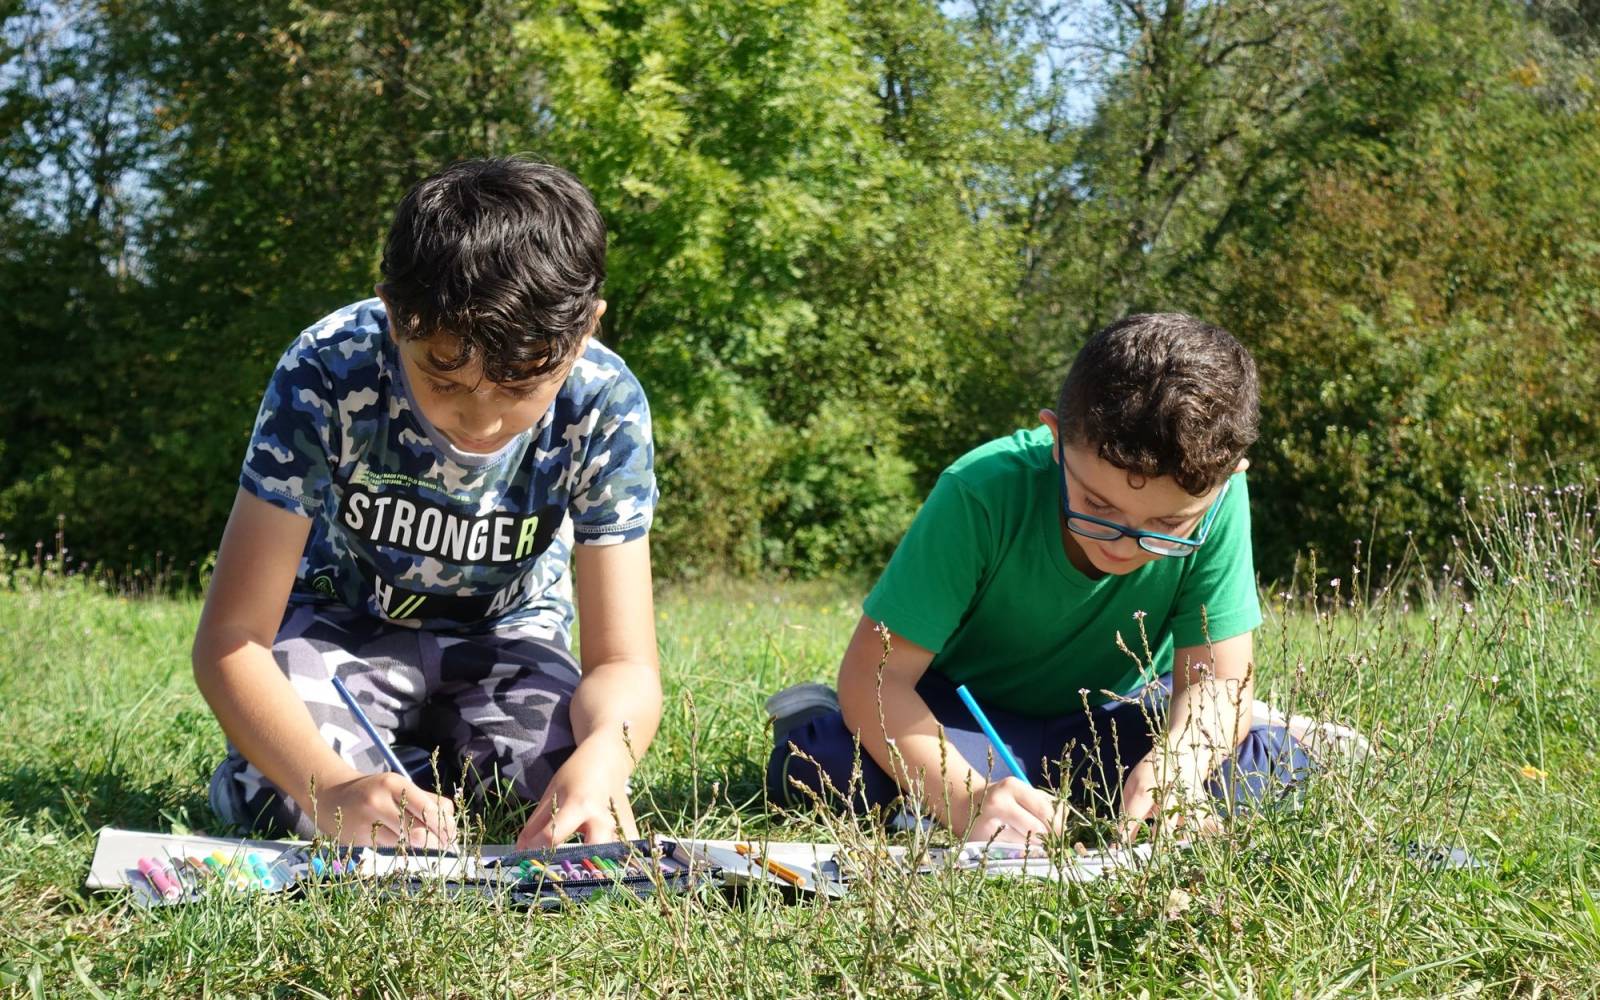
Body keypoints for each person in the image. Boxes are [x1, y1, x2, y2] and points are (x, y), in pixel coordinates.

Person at [194, 157, 661, 850]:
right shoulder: (326, 370)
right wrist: (331, 787)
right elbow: (232, 640)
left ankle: (410, 774)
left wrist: (604, 763)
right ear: (393, 311)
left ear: (585, 328)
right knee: (290, 792)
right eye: (441, 379)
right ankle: (364, 776)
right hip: (337, 630)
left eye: (519, 389)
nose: (478, 423)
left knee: (566, 782)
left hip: (509, 641)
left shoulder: (604, 402)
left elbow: (623, 663)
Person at [766, 313, 1312, 842]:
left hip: (1116, 715)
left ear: (1228, 477)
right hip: (968, 717)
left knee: (1262, 772)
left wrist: (1180, 764)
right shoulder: (981, 490)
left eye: (1168, 525)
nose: (1124, 543)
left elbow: (1217, 681)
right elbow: (876, 678)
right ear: (1056, 439)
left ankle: (1258, 733)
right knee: (826, 767)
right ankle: (814, 714)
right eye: (1097, 505)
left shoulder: (1219, 499)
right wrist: (966, 800)